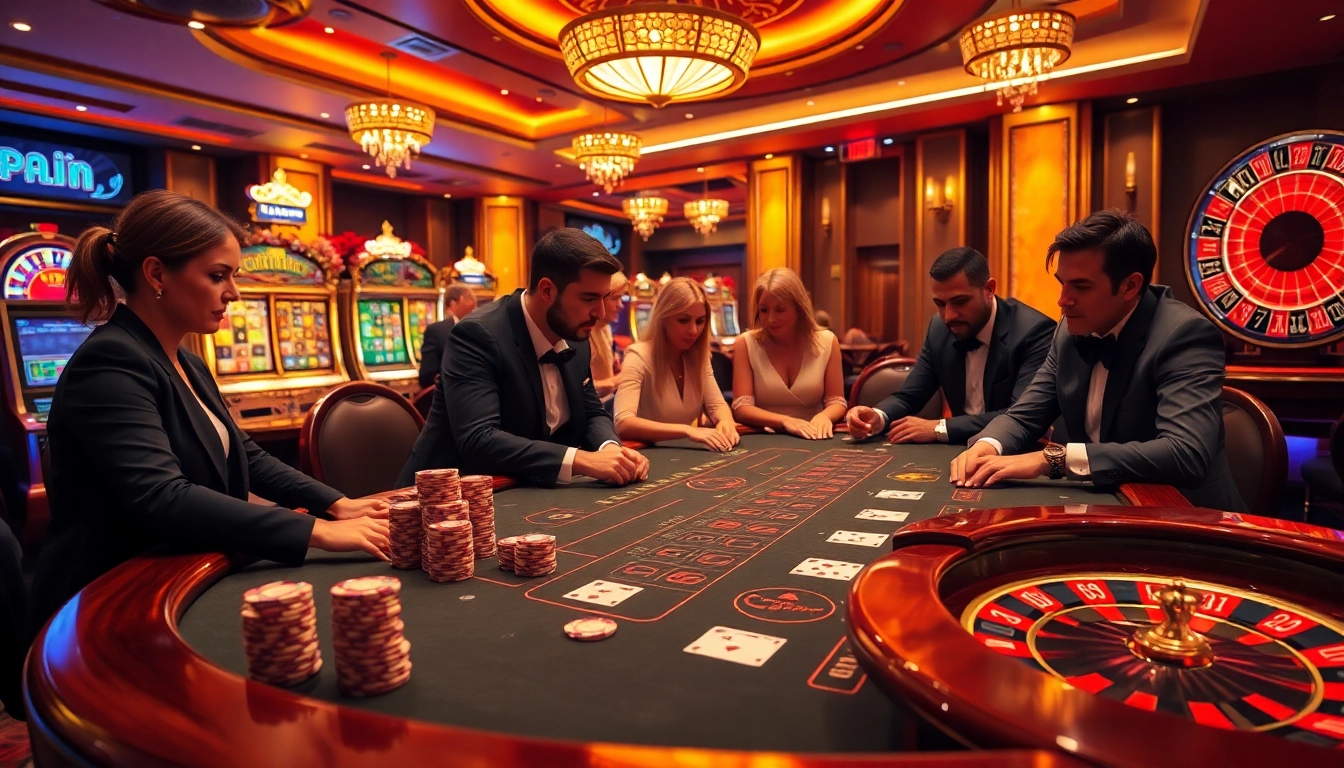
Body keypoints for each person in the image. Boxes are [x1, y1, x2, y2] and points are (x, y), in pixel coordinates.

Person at [27, 191, 391, 639]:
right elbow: (164, 497)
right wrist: (316, 531)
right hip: (108, 601)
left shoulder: (185, 359)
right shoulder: (109, 363)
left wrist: (336, 503)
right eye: (218, 276)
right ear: (157, 273)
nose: (233, 293)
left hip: (181, 571)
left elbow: (244, 453)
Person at [949, 210, 1245, 512]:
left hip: (1184, 520)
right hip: (1098, 507)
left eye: (1081, 287)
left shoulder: (1184, 335)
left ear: (1130, 286)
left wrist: (1053, 459)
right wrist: (988, 444)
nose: (1062, 301)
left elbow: (1185, 453)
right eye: (1062, 284)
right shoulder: (1068, 330)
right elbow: (1024, 415)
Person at [398, 229, 649, 488]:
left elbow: (592, 412)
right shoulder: (477, 335)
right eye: (589, 298)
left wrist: (608, 449)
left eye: (605, 297)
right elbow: (479, 439)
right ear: (547, 290)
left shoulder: (574, 333)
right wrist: (581, 460)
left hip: (522, 489)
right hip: (446, 498)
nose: (600, 311)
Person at [846, 247, 1055, 445]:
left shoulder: (1033, 332)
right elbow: (910, 396)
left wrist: (940, 428)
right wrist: (877, 416)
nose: (949, 316)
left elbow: (1019, 415)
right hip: (958, 450)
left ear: (989, 290)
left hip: (1016, 451)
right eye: (940, 304)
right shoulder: (939, 329)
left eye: (960, 302)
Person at [614, 277, 739, 452]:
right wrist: (687, 430)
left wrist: (725, 421)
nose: (693, 331)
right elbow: (623, 423)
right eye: (683, 320)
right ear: (663, 318)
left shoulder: (698, 357)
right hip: (647, 454)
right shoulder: (638, 355)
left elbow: (717, 405)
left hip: (685, 452)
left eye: (700, 321)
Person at [731, 268, 847, 439]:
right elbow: (741, 409)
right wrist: (786, 421)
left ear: (799, 307)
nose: (771, 319)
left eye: (780, 310)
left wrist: (824, 416)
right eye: (764, 310)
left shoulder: (828, 341)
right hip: (764, 438)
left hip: (813, 436)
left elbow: (837, 401)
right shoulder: (745, 343)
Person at [417, 284, 478, 388]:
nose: (473, 303)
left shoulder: (483, 327)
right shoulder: (437, 331)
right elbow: (426, 377)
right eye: (468, 299)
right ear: (453, 302)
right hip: (452, 398)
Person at [590, 271, 629, 402]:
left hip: (606, 405)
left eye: (621, 298)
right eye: (615, 298)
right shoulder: (582, 333)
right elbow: (578, 390)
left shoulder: (605, 328)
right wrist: (617, 380)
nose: (621, 305)